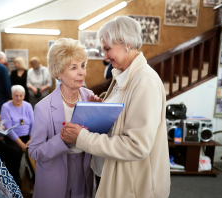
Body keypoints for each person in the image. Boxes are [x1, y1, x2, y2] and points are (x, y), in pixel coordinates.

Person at [61, 16, 170, 198]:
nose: (104, 56)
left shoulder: (144, 82)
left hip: (133, 185)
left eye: (107, 49)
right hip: (111, 173)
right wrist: (101, 109)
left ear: (126, 43)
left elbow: (137, 146)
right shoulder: (124, 74)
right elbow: (123, 116)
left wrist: (82, 137)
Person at [29, 38, 94, 198]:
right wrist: (62, 140)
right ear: (58, 72)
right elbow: (34, 151)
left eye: (83, 65)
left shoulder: (90, 97)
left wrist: (100, 114)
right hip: (55, 172)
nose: (81, 72)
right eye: (74, 67)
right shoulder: (43, 107)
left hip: (85, 168)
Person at [0, 85, 34, 177]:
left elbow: (33, 124)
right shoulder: (6, 107)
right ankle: (15, 179)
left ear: (24, 95)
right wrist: (22, 144)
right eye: (16, 95)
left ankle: (34, 179)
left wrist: (31, 139)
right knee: (16, 151)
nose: (19, 98)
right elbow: (8, 128)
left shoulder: (28, 105)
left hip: (28, 136)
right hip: (13, 138)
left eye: (21, 95)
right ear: (12, 95)